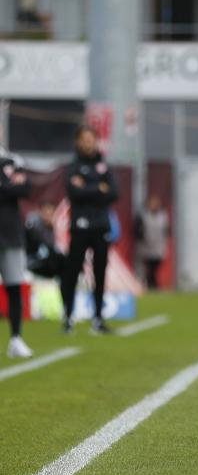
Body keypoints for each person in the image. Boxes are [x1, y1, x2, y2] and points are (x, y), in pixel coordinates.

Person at [61, 125, 118, 335]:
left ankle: (98, 319)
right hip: (80, 225)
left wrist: (87, 187)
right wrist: (98, 188)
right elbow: (74, 192)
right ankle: (67, 317)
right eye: (84, 139)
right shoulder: (73, 166)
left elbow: (113, 193)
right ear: (78, 142)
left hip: (101, 225)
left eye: (91, 139)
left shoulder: (104, 166)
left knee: (100, 272)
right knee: (72, 271)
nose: (88, 143)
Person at [0, 146, 32, 358]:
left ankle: (16, 339)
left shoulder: (12, 160)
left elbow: (25, 189)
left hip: (10, 234)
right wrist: (9, 186)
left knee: (14, 287)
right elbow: (14, 188)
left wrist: (6, 186)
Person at [135, 196, 168, 290]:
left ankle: (152, 283)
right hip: (146, 245)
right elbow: (137, 231)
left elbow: (165, 230)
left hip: (159, 244)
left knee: (156, 265)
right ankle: (151, 284)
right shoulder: (143, 215)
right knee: (148, 266)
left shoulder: (163, 215)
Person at [25, 201, 65, 280]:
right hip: (35, 261)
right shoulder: (33, 226)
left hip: (53, 263)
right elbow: (45, 242)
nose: (48, 217)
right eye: (46, 214)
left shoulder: (59, 227)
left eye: (51, 214)